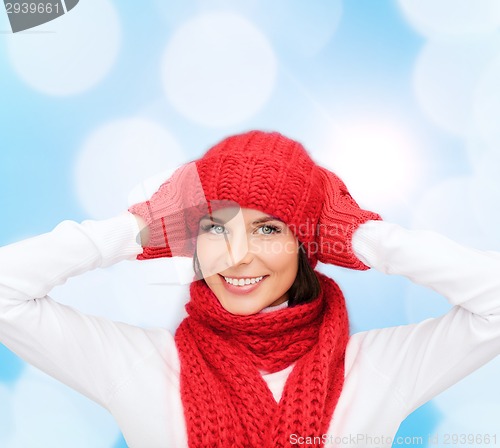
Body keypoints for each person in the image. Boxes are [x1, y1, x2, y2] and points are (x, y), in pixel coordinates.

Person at [1, 130, 499, 448]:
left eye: (269, 229)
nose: (237, 255)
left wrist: (364, 235)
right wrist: (137, 231)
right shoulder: (135, 363)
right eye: (216, 226)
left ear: (308, 242)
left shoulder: (381, 367)